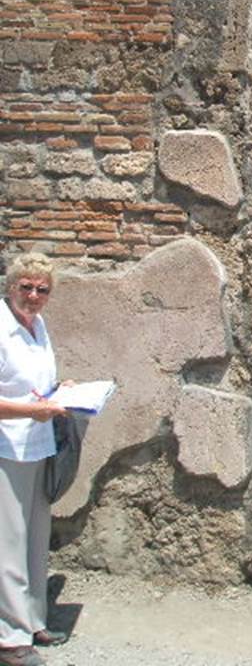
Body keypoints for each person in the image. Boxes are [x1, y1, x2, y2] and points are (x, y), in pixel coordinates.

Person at [0, 254, 69, 666]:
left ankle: (33, 619)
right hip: (7, 446)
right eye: (26, 286)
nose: (33, 295)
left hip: (38, 444)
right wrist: (30, 412)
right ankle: (9, 638)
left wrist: (63, 390)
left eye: (42, 289)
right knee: (8, 541)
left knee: (35, 537)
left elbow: (35, 387)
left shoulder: (37, 326)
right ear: (10, 287)